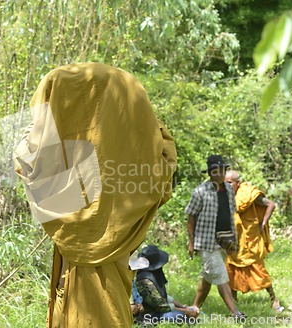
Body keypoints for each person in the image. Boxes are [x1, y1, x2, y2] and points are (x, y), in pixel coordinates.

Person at [13, 63, 177, 327]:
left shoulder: (66, 174)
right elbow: (164, 158)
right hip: (117, 262)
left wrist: (26, 141)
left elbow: (30, 162)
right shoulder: (136, 169)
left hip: (74, 264)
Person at [184, 155, 246, 319]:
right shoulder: (200, 192)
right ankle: (235, 312)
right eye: (215, 171)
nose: (219, 174)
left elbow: (231, 215)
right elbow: (191, 217)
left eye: (221, 171)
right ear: (210, 173)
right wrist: (191, 243)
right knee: (219, 274)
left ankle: (194, 309)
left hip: (224, 240)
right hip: (206, 241)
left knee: (208, 276)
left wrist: (233, 242)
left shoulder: (229, 189)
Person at [224, 170, 283, 311]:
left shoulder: (249, 194)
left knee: (258, 270)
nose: (226, 185)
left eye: (229, 183)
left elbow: (271, 205)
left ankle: (274, 298)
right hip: (235, 240)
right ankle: (234, 299)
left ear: (238, 183)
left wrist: (263, 223)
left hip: (250, 240)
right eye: (224, 182)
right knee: (231, 270)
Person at [136, 245, 199, 325]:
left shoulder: (154, 275)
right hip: (149, 315)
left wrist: (185, 307)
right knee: (178, 316)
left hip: (159, 311)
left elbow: (164, 297)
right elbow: (161, 306)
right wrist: (186, 311)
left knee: (193, 312)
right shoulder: (144, 281)